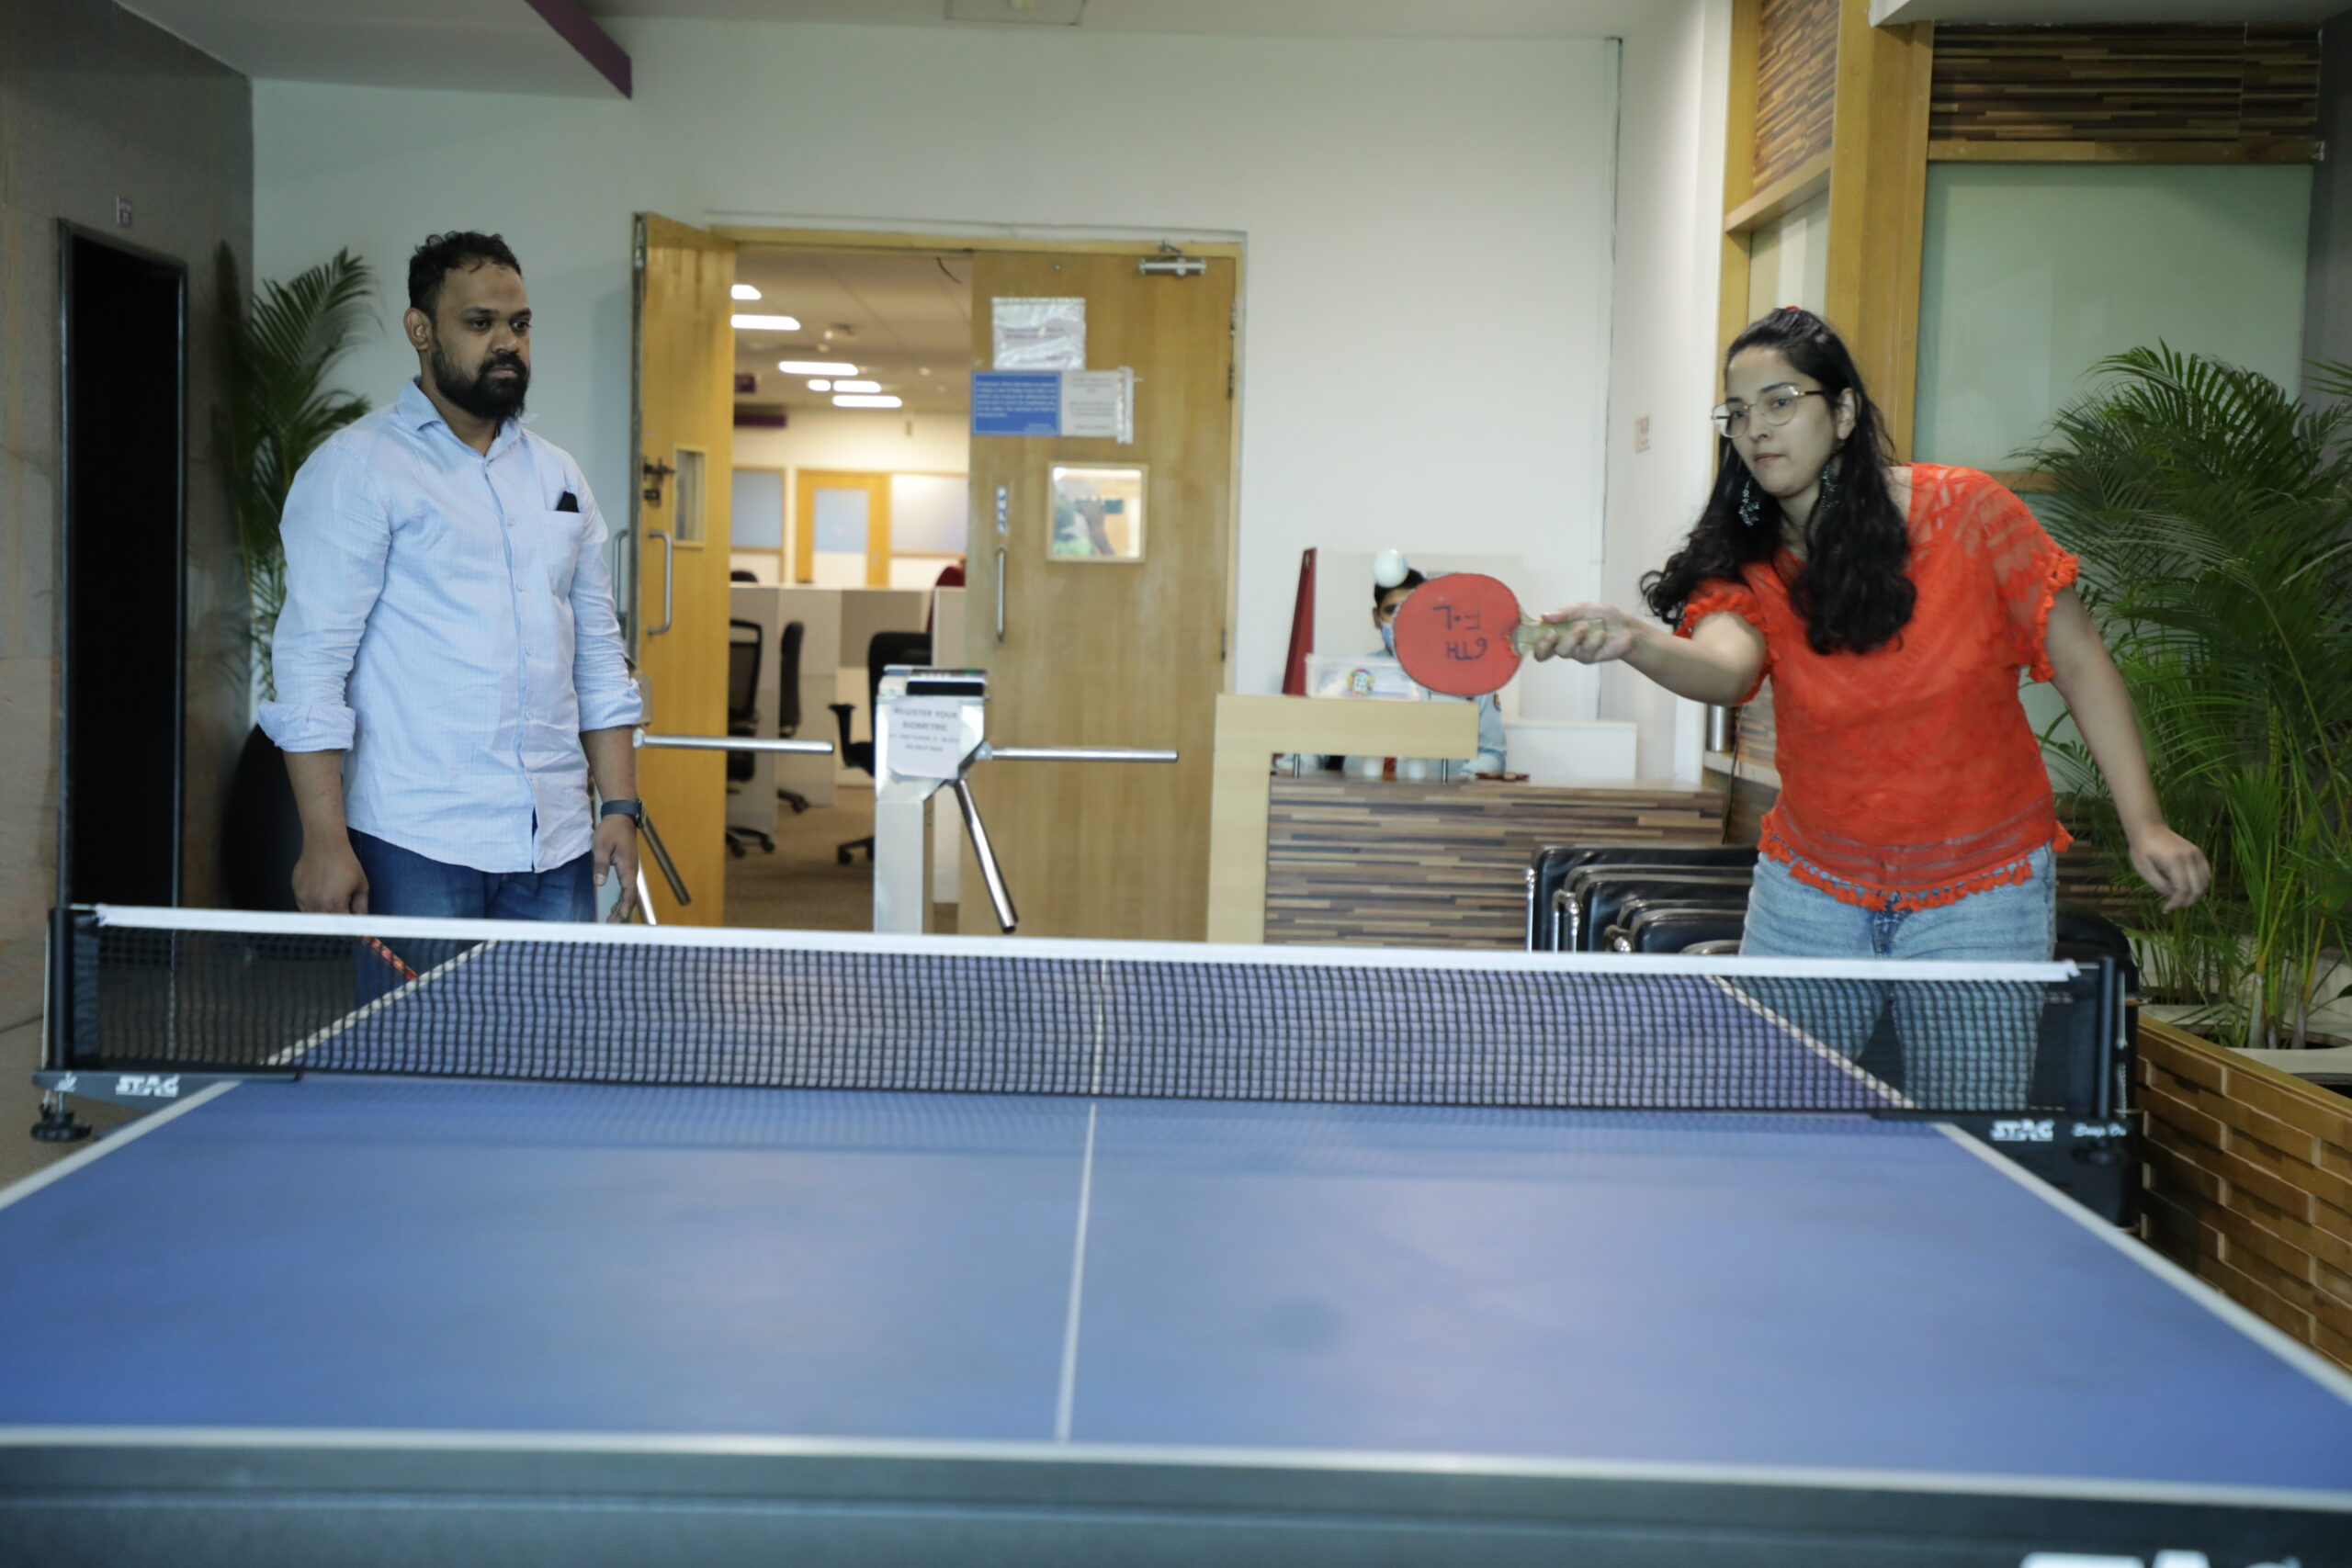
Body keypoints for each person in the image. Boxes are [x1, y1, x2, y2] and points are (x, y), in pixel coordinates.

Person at [1530, 306, 2209, 964]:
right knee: (1786, 1086)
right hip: (1811, 891)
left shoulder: (1967, 511)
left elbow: (2080, 658)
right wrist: (1634, 642)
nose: (1755, 429)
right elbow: (1727, 668)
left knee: (1965, 1089)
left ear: (1845, 412)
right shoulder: (1748, 557)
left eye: (1780, 402)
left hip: (1983, 889)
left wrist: (2144, 822)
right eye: (1737, 412)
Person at [260, 231, 646, 924]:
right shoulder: (359, 467)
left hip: (554, 842)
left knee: (553, 1037)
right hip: (416, 840)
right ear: (421, 330)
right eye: (480, 322)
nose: (508, 342)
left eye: (520, 324)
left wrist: (620, 805)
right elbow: (311, 665)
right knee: (424, 1038)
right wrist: (323, 841)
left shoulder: (559, 476)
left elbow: (597, 656)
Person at [1374, 569, 1509, 776]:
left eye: (1411, 609)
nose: (1401, 619)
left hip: (1446, 803)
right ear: (1377, 618)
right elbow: (1315, 745)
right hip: (1361, 802)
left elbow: (1492, 754)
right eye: (1392, 610)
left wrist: (1458, 786)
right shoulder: (1352, 677)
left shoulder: (1473, 680)